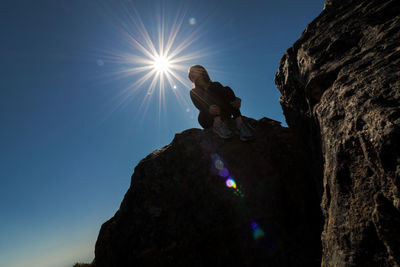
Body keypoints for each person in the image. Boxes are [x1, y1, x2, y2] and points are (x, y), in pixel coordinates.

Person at [188, 65, 255, 141]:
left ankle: (240, 124)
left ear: (201, 71)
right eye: (190, 73)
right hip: (207, 117)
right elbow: (198, 105)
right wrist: (208, 109)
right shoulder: (194, 91)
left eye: (192, 71)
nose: (190, 74)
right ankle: (217, 125)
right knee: (202, 110)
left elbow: (226, 94)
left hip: (223, 112)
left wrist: (236, 99)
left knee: (225, 88)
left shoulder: (215, 85)